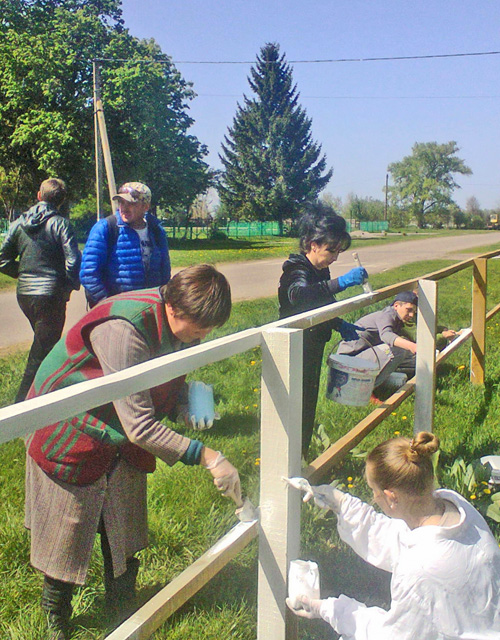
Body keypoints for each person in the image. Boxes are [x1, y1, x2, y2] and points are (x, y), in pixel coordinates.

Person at [24, 264, 240, 640]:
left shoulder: (179, 330)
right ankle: (55, 613)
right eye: (199, 328)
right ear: (173, 309)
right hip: (69, 423)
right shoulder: (124, 330)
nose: (201, 337)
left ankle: (122, 605)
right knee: (67, 526)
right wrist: (209, 457)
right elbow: (140, 427)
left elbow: (157, 385)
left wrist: (181, 405)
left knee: (123, 516)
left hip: (119, 421)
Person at [287, 431, 500, 638]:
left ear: (390, 497)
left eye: (373, 490)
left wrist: (330, 609)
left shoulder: (419, 571)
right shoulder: (456, 507)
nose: (372, 497)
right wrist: (343, 504)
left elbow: (391, 635)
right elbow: (400, 539)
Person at [278, 203, 367, 453]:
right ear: (312, 245)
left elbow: (321, 304)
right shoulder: (295, 270)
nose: (335, 257)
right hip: (294, 349)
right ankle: (289, 456)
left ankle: (301, 455)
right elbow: (301, 297)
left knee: (308, 404)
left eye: (338, 251)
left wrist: (338, 323)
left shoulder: (319, 269)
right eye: (331, 250)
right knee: (296, 405)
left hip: (312, 345)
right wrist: (343, 282)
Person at [0, 178, 81, 402]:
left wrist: (24, 274)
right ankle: (20, 406)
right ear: (62, 200)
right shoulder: (61, 224)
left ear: (39, 195)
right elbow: (73, 262)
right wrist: (67, 287)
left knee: (45, 346)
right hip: (50, 295)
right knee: (40, 353)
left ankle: (49, 395)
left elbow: (2, 259)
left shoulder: (18, 223)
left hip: (24, 295)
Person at [80, 181, 170, 307]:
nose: (124, 208)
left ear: (146, 206)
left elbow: (164, 271)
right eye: (121, 202)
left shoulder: (156, 231)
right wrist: (106, 304)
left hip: (149, 306)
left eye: (131, 203)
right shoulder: (106, 228)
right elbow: (89, 273)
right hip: (115, 307)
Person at [336, 290, 418, 398]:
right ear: (396, 305)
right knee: (397, 351)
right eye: (409, 310)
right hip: (347, 362)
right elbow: (386, 335)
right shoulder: (385, 316)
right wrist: (412, 346)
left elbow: (409, 336)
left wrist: (441, 331)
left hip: (362, 357)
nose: (411, 315)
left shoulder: (397, 319)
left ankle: (379, 381)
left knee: (413, 359)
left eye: (414, 312)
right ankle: (366, 391)